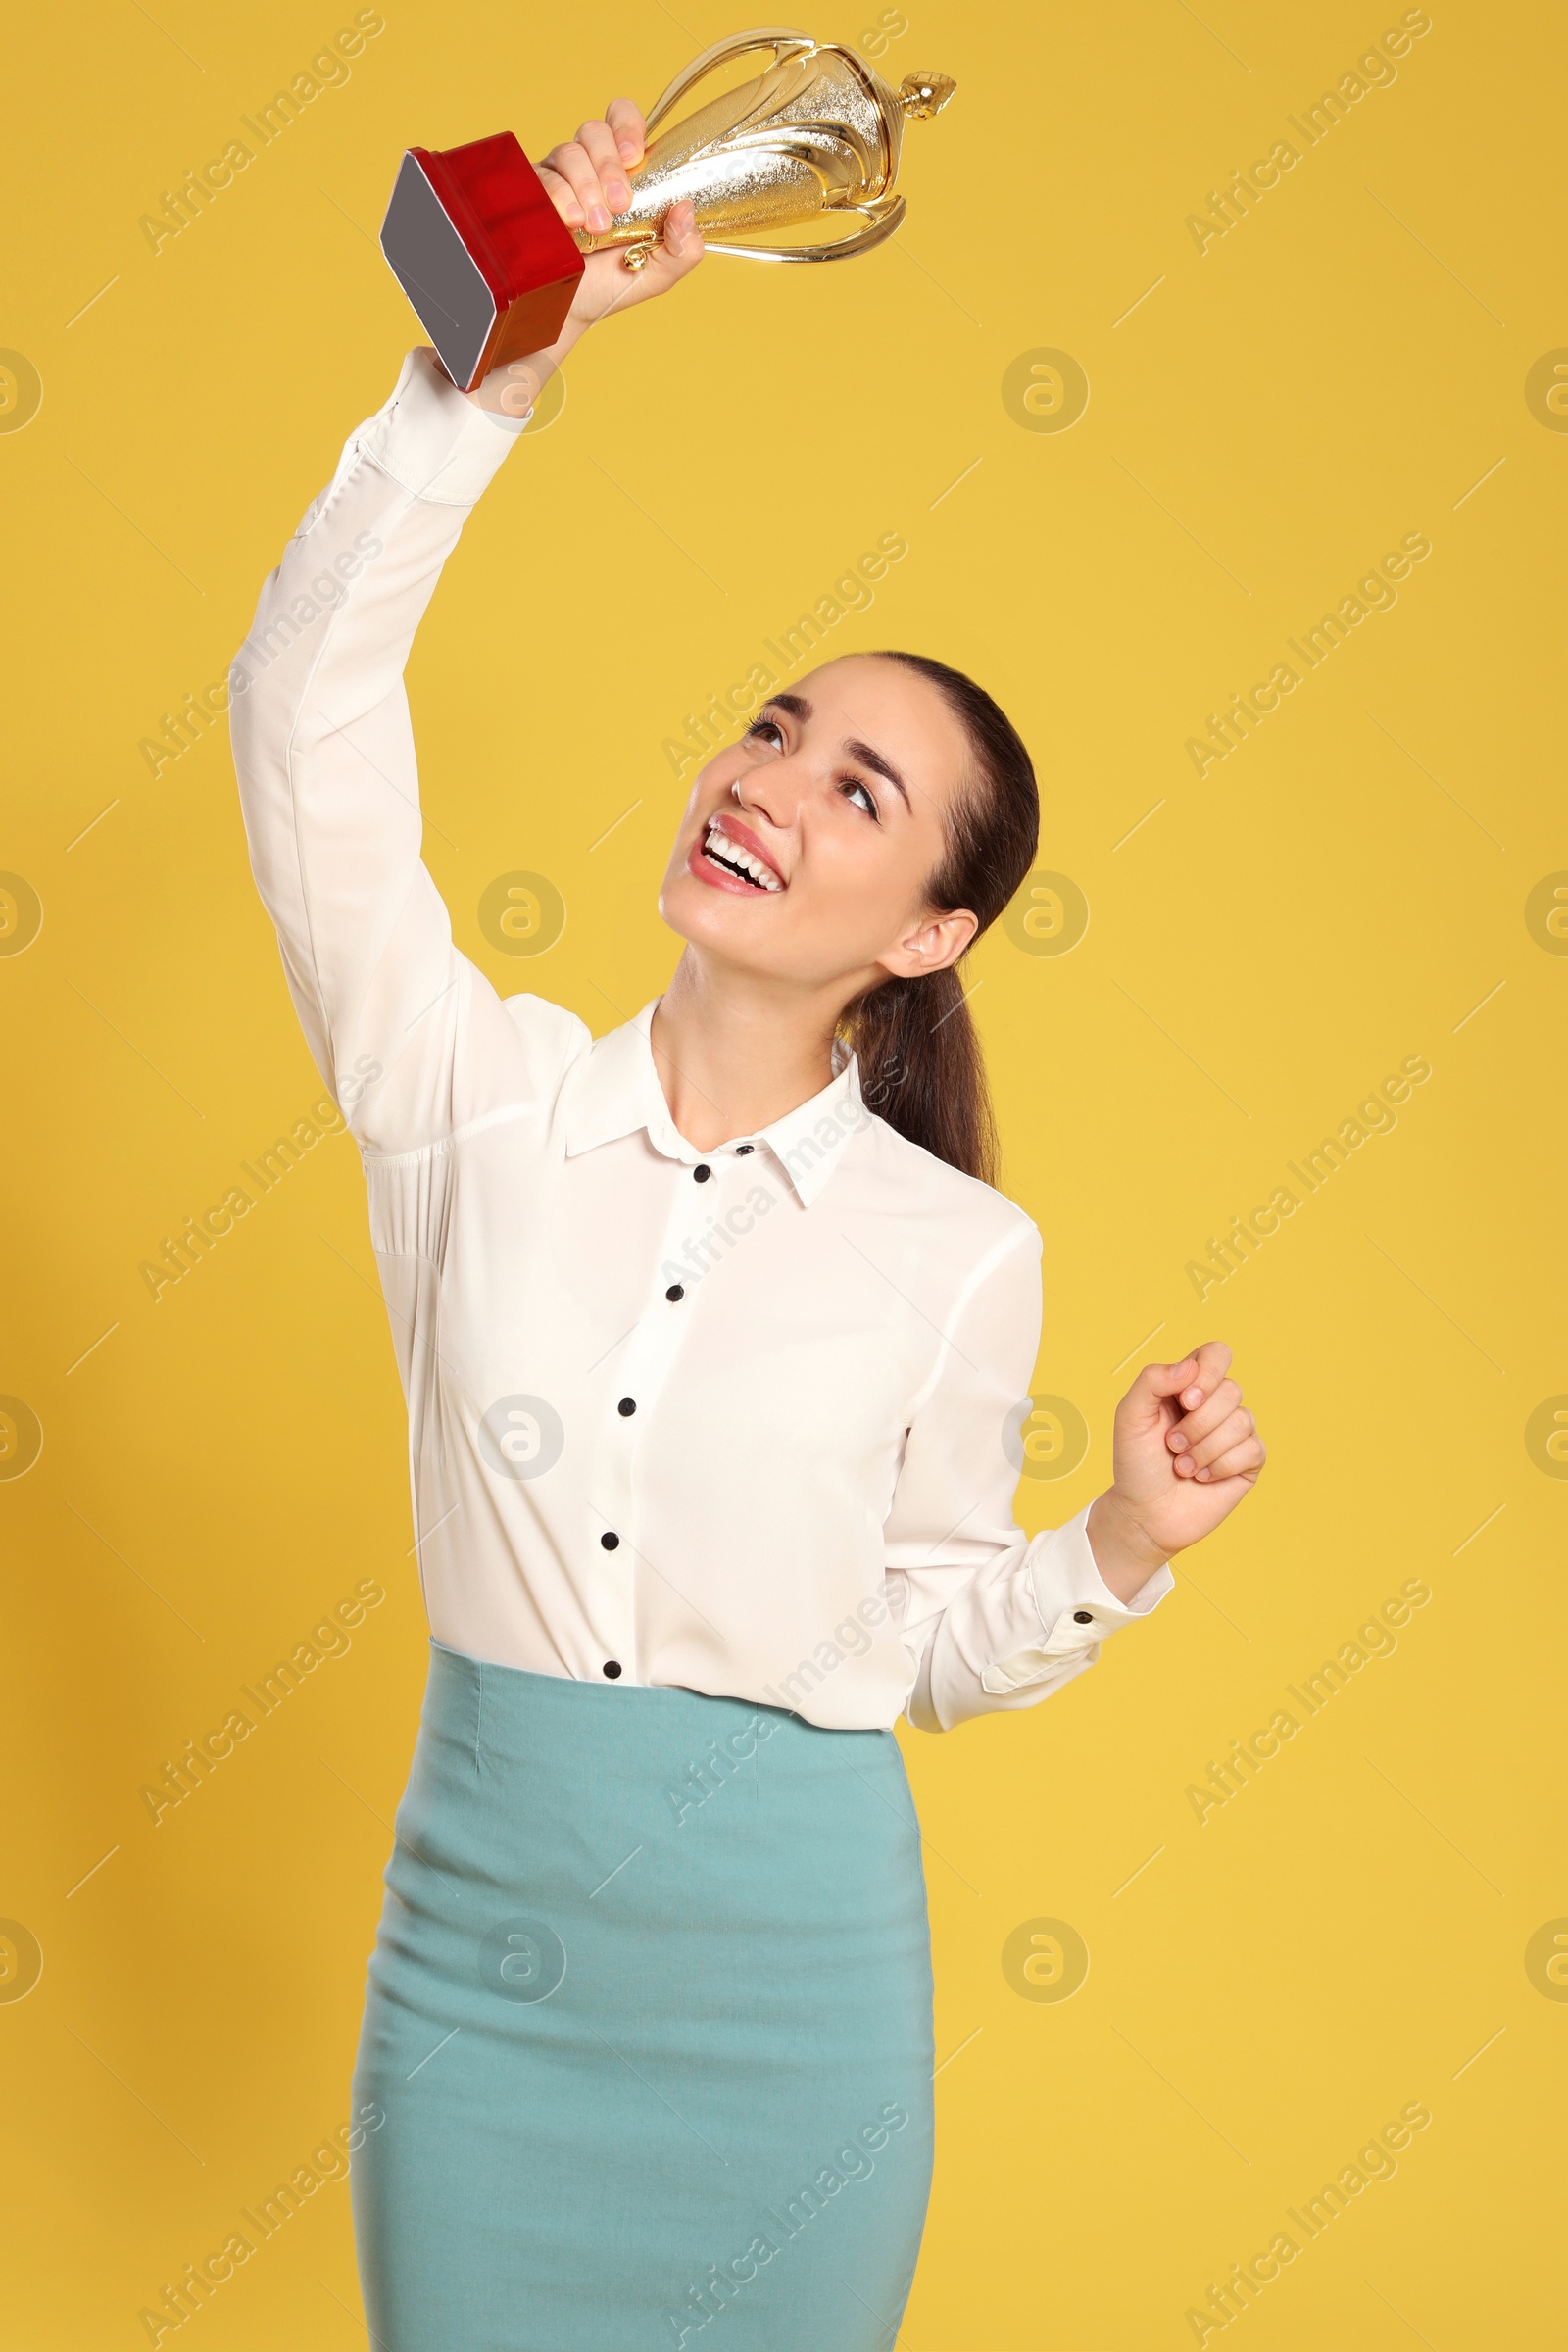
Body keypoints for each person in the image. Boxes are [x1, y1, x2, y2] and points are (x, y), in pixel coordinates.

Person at [230, 95, 1265, 2352]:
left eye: (853, 790)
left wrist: (1114, 1546)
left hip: (789, 2022)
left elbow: (905, 1648)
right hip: (484, 1998)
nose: (763, 783)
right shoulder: (464, 1099)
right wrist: (484, 375)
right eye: (776, 732)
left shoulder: (948, 1256)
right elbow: (303, 718)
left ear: (930, 931)